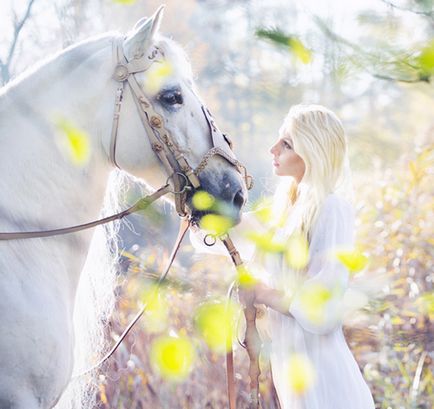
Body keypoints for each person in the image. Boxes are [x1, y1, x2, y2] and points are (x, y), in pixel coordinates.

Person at [190, 104, 375, 409]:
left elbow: (323, 309)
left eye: (286, 144)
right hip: (294, 382)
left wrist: (264, 293)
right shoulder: (286, 212)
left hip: (328, 385)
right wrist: (194, 200)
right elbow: (222, 235)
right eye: (279, 140)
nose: (272, 149)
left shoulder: (332, 209)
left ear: (312, 152)